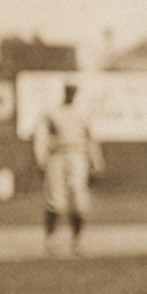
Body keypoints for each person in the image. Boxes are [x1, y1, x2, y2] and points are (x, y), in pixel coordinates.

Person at [32, 79, 102, 253]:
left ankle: (77, 242)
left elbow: (91, 139)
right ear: (64, 93)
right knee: (55, 200)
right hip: (57, 156)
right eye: (69, 91)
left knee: (79, 200)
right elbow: (40, 136)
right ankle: (50, 241)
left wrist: (96, 161)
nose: (71, 94)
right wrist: (41, 158)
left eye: (73, 92)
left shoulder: (82, 113)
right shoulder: (53, 113)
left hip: (78, 155)